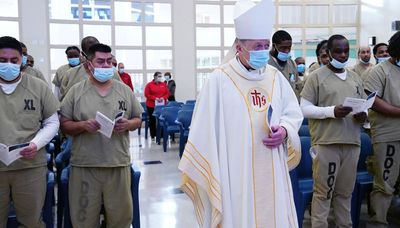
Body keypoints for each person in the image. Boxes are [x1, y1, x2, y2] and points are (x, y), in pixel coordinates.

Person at [179, 1, 303, 227]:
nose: (262, 51)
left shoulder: (275, 77)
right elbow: (203, 130)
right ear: (239, 47)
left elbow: (292, 112)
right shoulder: (219, 79)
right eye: (256, 46)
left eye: (265, 45)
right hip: (234, 171)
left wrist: (284, 130)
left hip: (272, 166)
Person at [60, 43, 143, 227]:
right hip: (85, 166)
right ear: (89, 64)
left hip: (117, 164)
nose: (106, 66)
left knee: (120, 218)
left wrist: (128, 124)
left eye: (109, 61)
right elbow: (64, 124)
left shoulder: (124, 90)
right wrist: (82, 125)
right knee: (84, 219)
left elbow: (138, 119)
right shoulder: (76, 92)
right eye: (100, 62)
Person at [300, 34, 367, 228]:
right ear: (328, 53)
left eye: (346, 51)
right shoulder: (316, 77)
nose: (343, 55)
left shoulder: (355, 78)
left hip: (352, 142)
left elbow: (364, 106)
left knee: (345, 193)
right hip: (327, 143)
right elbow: (304, 108)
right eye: (338, 51)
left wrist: (364, 117)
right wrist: (332, 111)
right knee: (323, 193)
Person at [0, 36, 59, 227]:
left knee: (31, 221)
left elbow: (52, 122)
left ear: (21, 60)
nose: (8, 65)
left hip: (29, 166)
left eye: (14, 60)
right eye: (2, 61)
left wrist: (36, 144)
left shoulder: (38, 87)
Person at [363, 31, 400, 228]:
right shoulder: (379, 71)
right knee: (385, 182)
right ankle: (378, 222)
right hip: (388, 135)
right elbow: (373, 101)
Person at [59, 36, 120, 100]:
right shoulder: (71, 75)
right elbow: (64, 102)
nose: (94, 55)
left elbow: (122, 96)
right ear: (83, 54)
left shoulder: (112, 73)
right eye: (90, 52)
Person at [268, 30, 301, 98]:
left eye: (289, 48)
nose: (287, 51)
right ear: (274, 46)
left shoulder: (291, 63)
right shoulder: (265, 63)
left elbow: (297, 85)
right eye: (283, 48)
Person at [144, 72, 169, 139]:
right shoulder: (149, 85)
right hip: (151, 105)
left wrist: (162, 98)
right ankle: (153, 135)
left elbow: (167, 94)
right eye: (159, 76)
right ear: (155, 77)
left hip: (162, 106)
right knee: (152, 120)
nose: (160, 77)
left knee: (162, 120)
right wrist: (155, 98)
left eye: (161, 76)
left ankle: (161, 134)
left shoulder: (164, 84)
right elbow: (147, 94)